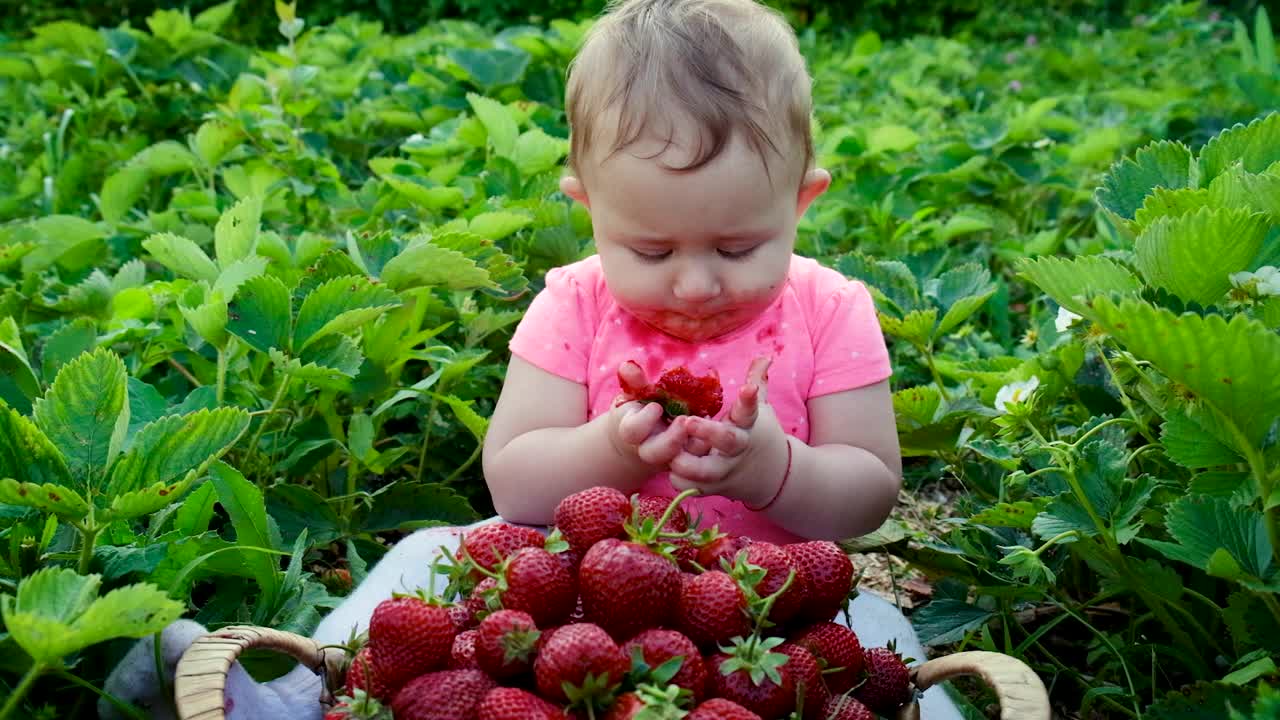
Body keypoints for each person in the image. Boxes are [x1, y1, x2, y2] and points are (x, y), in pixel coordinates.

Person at [100, 0, 963, 717]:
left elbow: (868, 490)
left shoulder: (831, 309)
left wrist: (772, 467)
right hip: (559, 618)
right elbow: (513, 483)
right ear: (588, 208)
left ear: (802, 201)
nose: (696, 283)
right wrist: (615, 452)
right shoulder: (575, 303)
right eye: (652, 251)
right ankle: (303, 690)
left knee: (881, 630)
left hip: (768, 624)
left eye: (739, 247)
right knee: (427, 553)